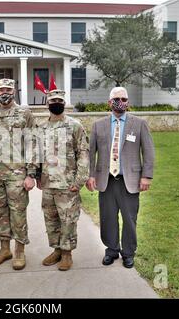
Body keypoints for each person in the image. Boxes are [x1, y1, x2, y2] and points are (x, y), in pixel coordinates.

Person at [86, 87, 155, 268]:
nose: (121, 102)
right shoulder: (98, 125)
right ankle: (111, 250)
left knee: (129, 219)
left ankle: (128, 253)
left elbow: (148, 151)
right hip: (106, 180)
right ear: (109, 103)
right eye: (117, 99)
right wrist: (90, 175)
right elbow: (90, 153)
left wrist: (146, 176)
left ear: (128, 102)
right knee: (108, 218)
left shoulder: (139, 124)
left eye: (124, 99)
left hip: (129, 181)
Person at [0, 78, 37, 270]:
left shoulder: (24, 113)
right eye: (1, 90)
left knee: (17, 212)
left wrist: (31, 174)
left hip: (17, 174)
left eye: (8, 89)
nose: (4, 92)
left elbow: (33, 143)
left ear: (14, 91)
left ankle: (20, 250)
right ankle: (4, 248)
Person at [35, 90, 89, 271]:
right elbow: (37, 154)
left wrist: (79, 180)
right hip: (48, 183)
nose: (56, 103)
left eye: (59, 100)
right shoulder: (41, 127)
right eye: (52, 100)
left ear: (64, 103)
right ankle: (57, 250)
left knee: (68, 219)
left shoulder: (75, 126)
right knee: (50, 219)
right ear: (47, 104)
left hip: (67, 183)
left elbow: (83, 154)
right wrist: (36, 176)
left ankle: (67, 253)